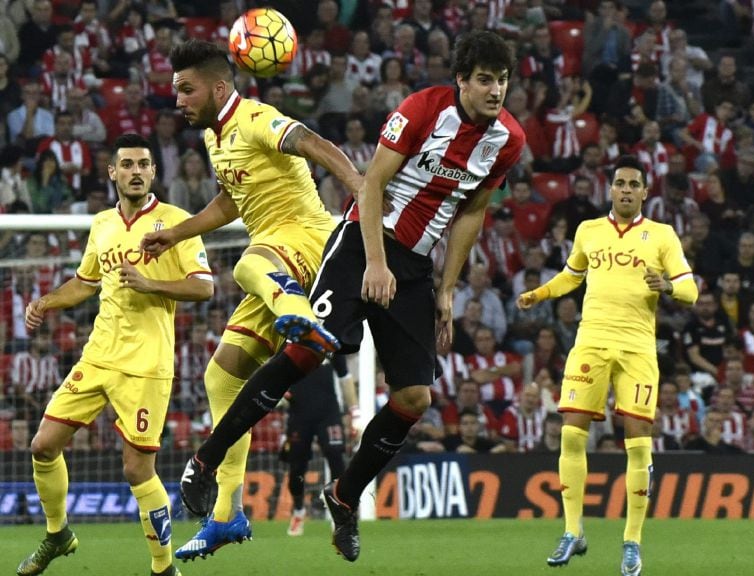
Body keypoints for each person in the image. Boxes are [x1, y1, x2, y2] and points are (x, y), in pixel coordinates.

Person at [176, 30, 523, 563]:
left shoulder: (508, 140)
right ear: (462, 80)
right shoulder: (421, 109)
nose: (495, 90)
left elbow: (472, 211)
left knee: (414, 399)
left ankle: (343, 496)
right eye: (484, 80)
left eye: (502, 81)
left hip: (415, 266)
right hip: (361, 242)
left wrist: (447, 290)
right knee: (306, 350)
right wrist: (376, 263)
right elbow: (372, 183)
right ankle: (205, 459)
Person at [139, 39, 362, 561]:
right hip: (274, 255)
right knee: (220, 375)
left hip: (305, 239)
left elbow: (309, 140)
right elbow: (230, 200)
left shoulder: (257, 118)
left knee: (246, 264)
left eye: (186, 89)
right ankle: (226, 516)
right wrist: (178, 233)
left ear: (219, 88)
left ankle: (303, 321)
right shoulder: (217, 139)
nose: (178, 100)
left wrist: (359, 185)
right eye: (175, 90)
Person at [15, 133, 214, 576]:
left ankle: (164, 568)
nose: (137, 171)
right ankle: (58, 533)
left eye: (144, 163)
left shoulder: (176, 221)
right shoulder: (102, 224)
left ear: (154, 172)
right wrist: (47, 302)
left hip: (146, 364)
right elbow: (87, 282)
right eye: (127, 164)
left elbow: (205, 286)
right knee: (43, 445)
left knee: (136, 469)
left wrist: (153, 285)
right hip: (98, 354)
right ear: (112, 173)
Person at [517, 155, 698, 575]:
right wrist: (540, 294)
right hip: (590, 344)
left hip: (636, 349)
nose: (627, 190)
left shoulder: (662, 235)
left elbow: (690, 288)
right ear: (610, 188)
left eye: (635, 184)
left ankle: (632, 542)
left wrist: (668, 286)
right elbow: (571, 275)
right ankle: (572, 530)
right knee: (571, 436)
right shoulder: (588, 231)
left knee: (637, 442)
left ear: (645, 191)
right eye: (620, 183)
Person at [282, 354, 356, 537]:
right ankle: (299, 510)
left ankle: (339, 515)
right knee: (297, 468)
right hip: (299, 415)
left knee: (336, 457)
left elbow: (345, 378)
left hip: (329, 414)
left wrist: (355, 412)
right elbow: (274, 376)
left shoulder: (332, 344)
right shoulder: (289, 342)